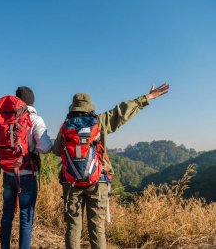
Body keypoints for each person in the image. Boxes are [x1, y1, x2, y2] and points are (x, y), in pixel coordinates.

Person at [52, 83, 170, 249]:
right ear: (89, 107)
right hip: (97, 182)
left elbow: (57, 150)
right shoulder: (99, 121)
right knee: (97, 229)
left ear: (73, 108)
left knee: (73, 227)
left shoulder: (66, 126)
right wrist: (147, 97)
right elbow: (122, 111)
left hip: (71, 183)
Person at [0, 86, 52, 249]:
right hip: (27, 175)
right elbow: (46, 147)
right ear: (33, 101)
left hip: (7, 173)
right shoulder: (36, 119)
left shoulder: (6, 116)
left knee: (7, 216)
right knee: (26, 219)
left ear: (17, 100)